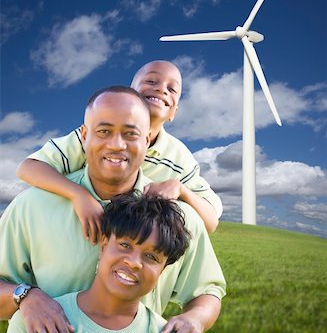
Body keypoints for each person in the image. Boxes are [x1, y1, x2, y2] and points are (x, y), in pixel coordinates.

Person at [0, 86, 226, 333]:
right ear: (84, 136)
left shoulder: (179, 219)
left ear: (147, 139)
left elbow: (208, 291)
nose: (117, 145)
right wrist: (25, 297)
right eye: (104, 131)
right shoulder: (31, 206)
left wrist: (196, 320)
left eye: (131, 134)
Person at [16, 60, 222, 241]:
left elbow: (210, 222)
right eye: (151, 81)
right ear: (130, 94)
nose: (161, 89)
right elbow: (29, 168)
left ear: (174, 112)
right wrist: (79, 195)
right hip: (73, 231)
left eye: (172, 88)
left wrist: (181, 189)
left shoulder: (179, 157)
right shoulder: (95, 137)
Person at [2, 192, 195, 333]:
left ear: (162, 271)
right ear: (103, 246)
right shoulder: (35, 321)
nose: (134, 262)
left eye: (152, 257)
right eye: (125, 245)